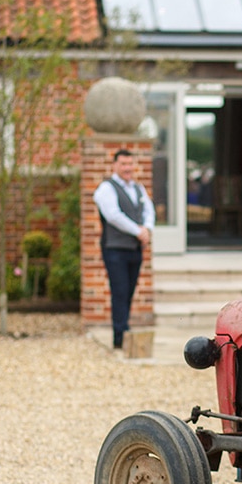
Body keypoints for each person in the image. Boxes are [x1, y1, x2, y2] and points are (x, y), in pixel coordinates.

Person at [94, 149, 155, 350]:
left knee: (128, 291)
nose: (127, 168)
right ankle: (119, 337)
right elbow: (113, 215)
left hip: (134, 249)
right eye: (123, 164)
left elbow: (149, 210)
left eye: (130, 164)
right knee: (119, 291)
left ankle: (124, 330)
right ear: (115, 165)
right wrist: (138, 231)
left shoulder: (138, 188)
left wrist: (147, 229)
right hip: (115, 248)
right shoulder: (106, 188)